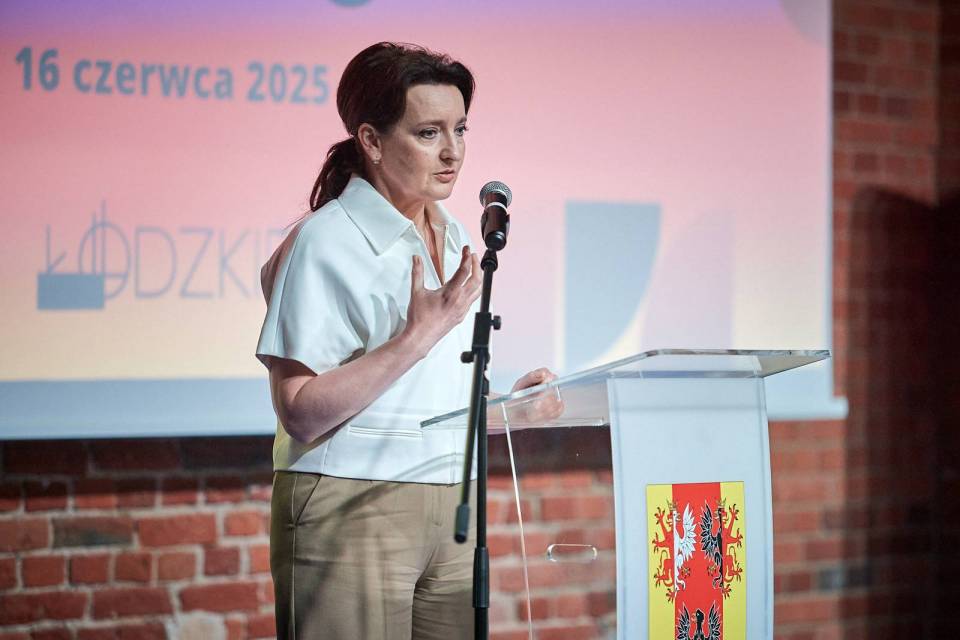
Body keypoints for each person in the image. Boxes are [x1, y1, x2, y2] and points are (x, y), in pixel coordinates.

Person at [255, 42, 559, 640]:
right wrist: (414, 338)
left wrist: (509, 411)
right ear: (371, 140)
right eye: (428, 133)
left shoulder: (456, 234)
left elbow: (427, 401)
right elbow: (299, 411)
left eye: (460, 129)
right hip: (350, 501)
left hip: (452, 500)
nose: (452, 152)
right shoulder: (325, 241)